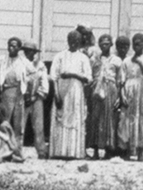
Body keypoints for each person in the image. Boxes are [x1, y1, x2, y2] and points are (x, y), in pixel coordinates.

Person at [49, 29, 92, 159]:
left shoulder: (83, 58)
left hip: (76, 91)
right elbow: (54, 76)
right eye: (71, 41)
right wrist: (56, 94)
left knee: (75, 119)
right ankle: (59, 151)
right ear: (68, 42)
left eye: (77, 42)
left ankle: (74, 152)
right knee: (60, 117)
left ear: (80, 42)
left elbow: (88, 78)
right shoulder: (60, 56)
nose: (74, 44)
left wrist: (73, 74)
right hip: (62, 90)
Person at [22, 40, 50, 155]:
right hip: (23, 98)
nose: (29, 53)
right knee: (20, 125)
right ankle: (16, 150)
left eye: (31, 51)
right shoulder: (20, 63)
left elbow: (44, 82)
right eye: (27, 51)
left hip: (37, 98)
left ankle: (42, 150)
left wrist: (36, 96)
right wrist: (25, 96)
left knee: (38, 126)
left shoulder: (40, 65)